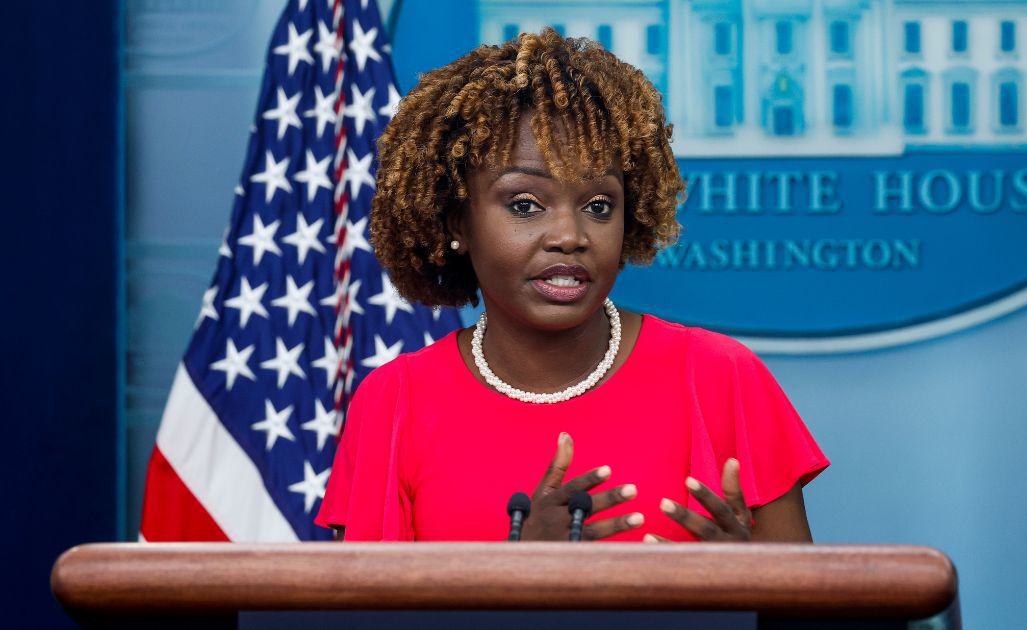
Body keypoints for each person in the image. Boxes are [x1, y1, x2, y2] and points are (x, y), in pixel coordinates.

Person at [316, 29, 828, 542]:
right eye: (524, 205)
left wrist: (747, 592)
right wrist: (524, 574)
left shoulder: (721, 379)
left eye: (599, 206)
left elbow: (815, 616)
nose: (570, 236)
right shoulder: (395, 403)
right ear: (455, 223)